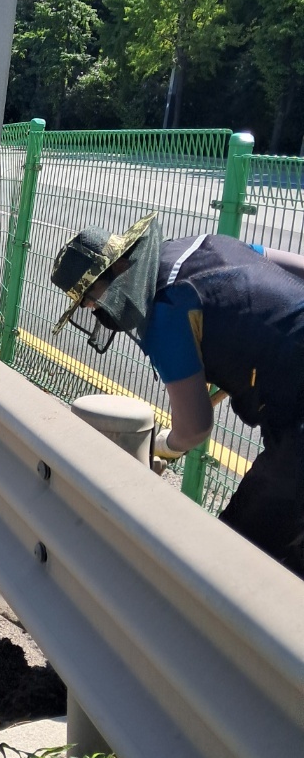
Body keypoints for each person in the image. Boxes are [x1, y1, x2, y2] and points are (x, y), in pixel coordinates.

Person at [50, 212, 304, 575]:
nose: (93, 309)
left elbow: (196, 427)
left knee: (239, 564)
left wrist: (166, 445)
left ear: (119, 266)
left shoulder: (164, 311)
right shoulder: (206, 244)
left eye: (90, 297)